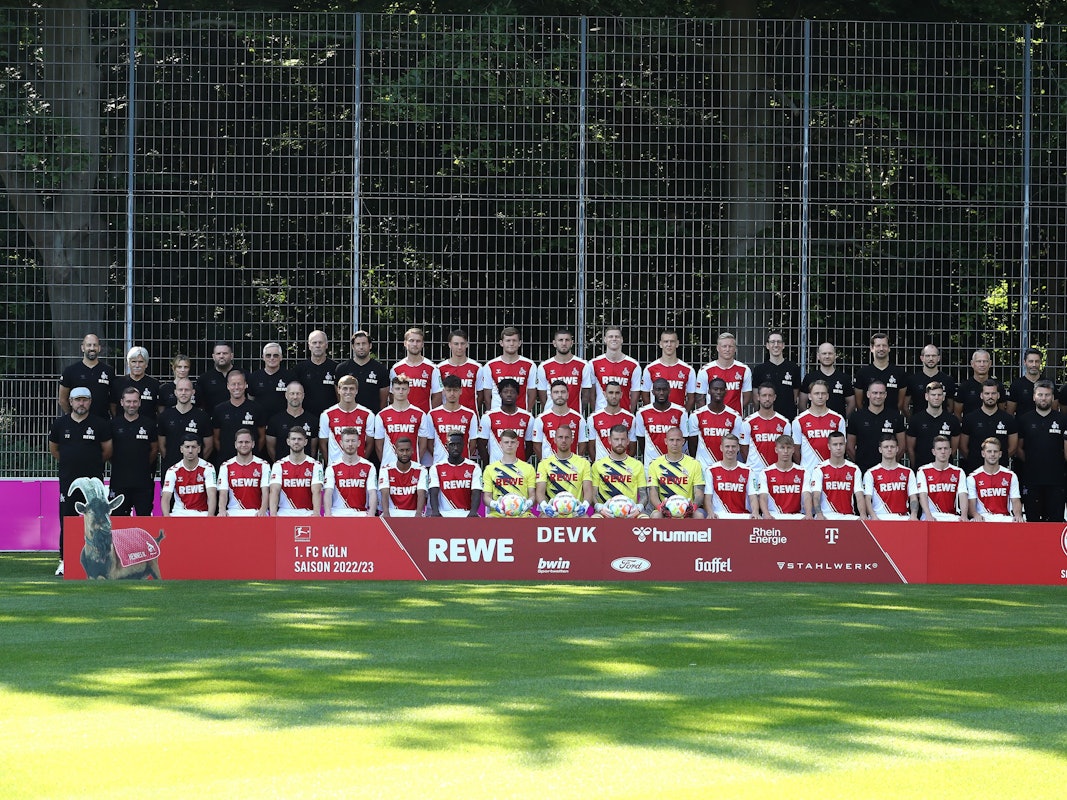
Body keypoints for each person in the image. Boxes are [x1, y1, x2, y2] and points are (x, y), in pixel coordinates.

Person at [48, 386, 113, 575]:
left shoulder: (100, 424)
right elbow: (55, 449)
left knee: (97, 521)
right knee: (66, 520)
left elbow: (107, 451)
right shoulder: (60, 424)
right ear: (70, 401)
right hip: (68, 482)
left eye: (85, 400)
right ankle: (64, 560)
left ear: (90, 402)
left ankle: (100, 559)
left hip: (93, 485)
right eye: (77, 400)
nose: (81, 403)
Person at [1014, 380, 1067, 522]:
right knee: (1033, 521)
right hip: (1032, 479)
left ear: (1052, 397)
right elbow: (1018, 448)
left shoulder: (1062, 420)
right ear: (1034, 397)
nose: (1043, 398)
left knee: (1056, 521)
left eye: (1047, 395)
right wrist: (1031, 461)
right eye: (1040, 395)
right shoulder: (1024, 420)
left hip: (1056, 480)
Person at [108, 386, 158, 516]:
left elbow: (154, 449)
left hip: (143, 482)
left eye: (135, 401)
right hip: (119, 481)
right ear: (122, 402)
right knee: (117, 520)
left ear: (140, 403)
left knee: (144, 519)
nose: (132, 405)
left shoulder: (149, 424)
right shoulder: (113, 425)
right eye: (128, 401)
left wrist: (142, 464)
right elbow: (108, 450)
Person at [846, 379, 905, 473]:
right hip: (863, 470)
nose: (878, 396)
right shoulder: (857, 417)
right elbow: (849, 447)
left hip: (889, 471)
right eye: (875, 393)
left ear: (885, 395)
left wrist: (889, 464)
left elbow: (901, 447)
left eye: (881, 393)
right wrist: (859, 464)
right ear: (868, 394)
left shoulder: (896, 417)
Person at [373, 375, 433, 468]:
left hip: (413, 466)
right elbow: (378, 446)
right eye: (397, 388)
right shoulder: (381, 415)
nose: (400, 392)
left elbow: (423, 444)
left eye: (403, 389)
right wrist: (386, 461)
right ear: (392, 390)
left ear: (409, 390)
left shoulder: (420, 414)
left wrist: (415, 461)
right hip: (389, 466)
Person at [959, 380, 1017, 474]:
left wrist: (997, 460)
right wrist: (975, 460)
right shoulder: (970, 418)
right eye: (987, 393)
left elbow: (1013, 447)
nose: (990, 396)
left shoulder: (1008, 419)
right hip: (975, 470)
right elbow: (963, 447)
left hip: (1000, 470)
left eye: (993, 393)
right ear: (981, 395)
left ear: (998, 395)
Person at [157, 377, 214, 474]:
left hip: (195, 473)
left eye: (187, 390)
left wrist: (194, 462)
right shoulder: (165, 416)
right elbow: (162, 446)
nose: (183, 393)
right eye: (180, 390)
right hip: (171, 471)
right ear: (175, 392)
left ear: (193, 392)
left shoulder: (202, 417)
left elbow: (208, 446)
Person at [647, 427, 706, 518]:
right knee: (656, 515)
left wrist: (692, 508)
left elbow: (699, 493)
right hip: (665, 509)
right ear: (666, 441)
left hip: (687, 509)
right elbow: (653, 494)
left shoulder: (694, 464)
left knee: (699, 515)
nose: (675, 443)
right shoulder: (654, 464)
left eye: (678, 440)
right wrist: (662, 509)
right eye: (671, 440)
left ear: (683, 441)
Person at [804, 431, 863, 520]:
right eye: (835, 445)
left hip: (848, 516)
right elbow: (816, 496)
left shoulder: (854, 469)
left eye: (841, 444)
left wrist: (862, 514)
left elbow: (859, 496)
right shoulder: (820, 469)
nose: (838, 448)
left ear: (845, 445)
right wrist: (819, 514)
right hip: (826, 516)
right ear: (829, 446)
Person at [212, 369, 267, 464]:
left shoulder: (257, 408)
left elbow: (262, 437)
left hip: (251, 462)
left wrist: (252, 452)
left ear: (245, 385)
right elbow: (216, 438)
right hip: (226, 462)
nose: (236, 387)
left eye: (239, 383)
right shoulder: (219, 409)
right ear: (228, 386)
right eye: (233, 384)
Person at [535, 424, 594, 514]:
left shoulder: (584, 463)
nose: (563, 440)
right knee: (541, 519)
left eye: (567, 437)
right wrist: (545, 507)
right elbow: (539, 491)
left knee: (590, 519)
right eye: (560, 437)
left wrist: (584, 506)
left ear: (572, 440)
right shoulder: (544, 464)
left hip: (576, 511)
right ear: (554, 440)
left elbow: (588, 490)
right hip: (553, 512)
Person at [590, 425, 648, 515]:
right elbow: (593, 494)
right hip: (605, 512)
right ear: (609, 440)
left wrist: (638, 508)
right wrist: (600, 507)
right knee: (594, 519)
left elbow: (644, 495)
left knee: (645, 519)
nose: (620, 443)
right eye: (616, 439)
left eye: (623, 439)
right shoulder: (598, 465)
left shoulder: (637, 465)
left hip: (631, 512)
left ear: (628, 441)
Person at [477, 326, 537, 411]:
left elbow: (532, 392)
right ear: (501, 343)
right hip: (497, 413)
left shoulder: (529, 365)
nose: (511, 344)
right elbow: (487, 393)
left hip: (521, 413)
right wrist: (491, 412)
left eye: (514, 340)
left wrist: (527, 412)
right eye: (508, 340)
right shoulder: (490, 365)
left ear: (519, 343)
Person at [790, 379, 846, 472]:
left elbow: (842, 447)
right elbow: (795, 450)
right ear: (810, 396)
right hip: (809, 472)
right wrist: (805, 468)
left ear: (827, 396)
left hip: (832, 472)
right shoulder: (799, 420)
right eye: (816, 393)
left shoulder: (838, 419)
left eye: (823, 393)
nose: (820, 396)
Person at [739, 382, 789, 483]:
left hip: (776, 472)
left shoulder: (784, 423)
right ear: (758, 397)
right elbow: (744, 449)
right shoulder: (748, 422)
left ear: (774, 397)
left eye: (770, 395)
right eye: (764, 395)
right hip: (754, 473)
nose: (767, 399)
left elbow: (786, 449)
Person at [687, 377, 743, 467]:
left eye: (721, 389)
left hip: (725, 467)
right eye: (715, 389)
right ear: (709, 391)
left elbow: (735, 444)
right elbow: (692, 444)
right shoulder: (696, 415)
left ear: (726, 391)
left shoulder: (735, 416)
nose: (718, 392)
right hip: (703, 466)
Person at [318, 375, 374, 465]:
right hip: (335, 467)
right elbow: (322, 443)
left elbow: (370, 443)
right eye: (345, 388)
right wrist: (330, 463)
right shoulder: (327, 415)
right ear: (338, 390)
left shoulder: (368, 414)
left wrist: (362, 461)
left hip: (358, 467)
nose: (348, 392)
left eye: (351, 389)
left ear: (356, 391)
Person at [478, 378, 535, 465]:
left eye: (512, 392)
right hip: (496, 468)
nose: (509, 394)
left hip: (519, 470)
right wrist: (489, 465)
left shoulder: (527, 417)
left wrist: (522, 462)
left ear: (517, 394)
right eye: (505, 392)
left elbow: (530, 445)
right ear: (500, 394)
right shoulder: (489, 416)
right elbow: (481, 444)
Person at [323, 427, 379, 517]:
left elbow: (372, 492)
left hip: (360, 513)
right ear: (341, 443)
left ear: (359, 443)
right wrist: (328, 514)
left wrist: (371, 514)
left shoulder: (369, 466)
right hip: (337, 513)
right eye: (347, 441)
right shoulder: (332, 468)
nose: (350, 444)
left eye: (353, 441)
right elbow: (328, 493)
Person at [269, 427, 324, 516]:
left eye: (299, 439)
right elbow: (274, 490)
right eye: (293, 439)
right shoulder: (278, 465)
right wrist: (273, 515)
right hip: (284, 512)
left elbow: (316, 491)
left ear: (305, 442)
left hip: (307, 513)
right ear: (288, 441)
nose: (296, 442)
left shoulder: (316, 465)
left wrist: (316, 513)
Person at [861, 434, 918, 520]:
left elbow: (913, 497)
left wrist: (913, 514)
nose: (889, 449)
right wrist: (873, 516)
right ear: (880, 449)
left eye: (892, 446)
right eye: (886, 447)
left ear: (897, 449)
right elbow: (867, 498)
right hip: (879, 518)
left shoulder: (908, 472)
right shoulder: (871, 473)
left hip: (902, 518)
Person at [635, 377, 689, 467]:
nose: (661, 393)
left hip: (675, 464)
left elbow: (684, 438)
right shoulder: (642, 412)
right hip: (651, 464)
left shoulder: (680, 411)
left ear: (669, 391)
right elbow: (641, 439)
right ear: (652, 392)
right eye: (658, 390)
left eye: (664, 390)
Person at [58, 333, 115, 419]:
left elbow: (113, 400)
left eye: (95, 345)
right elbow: (62, 399)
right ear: (82, 348)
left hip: (102, 422)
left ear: (99, 348)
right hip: (78, 423)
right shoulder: (70, 371)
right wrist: (72, 416)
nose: (92, 348)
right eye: (89, 345)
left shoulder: (108, 371)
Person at [482, 429, 537, 517]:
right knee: (488, 521)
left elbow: (533, 495)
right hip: (498, 514)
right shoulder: (490, 469)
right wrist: (495, 504)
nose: (509, 445)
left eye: (512, 442)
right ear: (500, 444)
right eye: (506, 442)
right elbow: (486, 497)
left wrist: (528, 503)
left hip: (522, 513)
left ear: (517, 444)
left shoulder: (528, 468)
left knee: (532, 520)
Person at [586, 326, 642, 413]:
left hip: (624, 414)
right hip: (601, 414)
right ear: (605, 339)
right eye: (610, 336)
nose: (614, 339)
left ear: (622, 340)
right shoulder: (594, 364)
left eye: (617, 337)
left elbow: (635, 393)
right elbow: (591, 393)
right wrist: (596, 412)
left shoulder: (633, 365)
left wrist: (629, 413)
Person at [906, 381, 961, 468]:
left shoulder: (952, 420)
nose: (936, 398)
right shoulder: (916, 419)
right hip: (922, 469)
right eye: (933, 395)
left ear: (943, 397)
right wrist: (916, 467)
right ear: (926, 396)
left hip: (944, 470)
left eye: (939, 395)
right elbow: (910, 449)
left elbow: (953, 450)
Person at [967, 438, 1024, 522]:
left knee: (1019, 522)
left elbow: (1015, 500)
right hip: (983, 518)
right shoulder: (973, 477)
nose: (992, 454)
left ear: (1000, 454)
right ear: (983, 453)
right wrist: (975, 515)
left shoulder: (1011, 475)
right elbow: (971, 503)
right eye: (989, 451)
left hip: (1004, 518)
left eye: (995, 451)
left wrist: (1018, 515)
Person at [639, 328, 696, 411]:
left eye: (672, 341)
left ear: (677, 344)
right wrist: (651, 412)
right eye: (666, 341)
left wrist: (683, 414)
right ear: (660, 344)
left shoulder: (688, 370)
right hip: (656, 417)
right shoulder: (650, 369)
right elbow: (645, 395)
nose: (669, 344)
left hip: (677, 419)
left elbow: (691, 397)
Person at [426, 374, 480, 463]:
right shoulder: (432, 414)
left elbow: (473, 443)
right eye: (449, 390)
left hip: (462, 464)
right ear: (443, 391)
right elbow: (429, 443)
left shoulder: (470, 414)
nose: (452, 394)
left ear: (461, 391)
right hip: (440, 464)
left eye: (455, 390)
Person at [426, 432, 483, 517]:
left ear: (463, 445)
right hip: (444, 514)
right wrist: (435, 512)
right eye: (452, 445)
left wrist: (473, 512)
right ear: (446, 446)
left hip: (466, 514)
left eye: (458, 444)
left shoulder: (474, 467)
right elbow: (433, 493)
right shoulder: (436, 467)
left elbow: (476, 492)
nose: (455, 448)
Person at [217, 428, 270, 516]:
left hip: (256, 511)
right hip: (233, 511)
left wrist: (263, 510)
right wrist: (222, 510)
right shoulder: (226, 466)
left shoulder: (263, 465)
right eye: (240, 442)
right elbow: (223, 493)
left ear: (253, 444)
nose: (244, 445)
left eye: (247, 442)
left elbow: (266, 491)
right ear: (235, 444)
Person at [535, 329, 590, 414]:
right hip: (551, 415)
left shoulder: (583, 365)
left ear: (572, 343)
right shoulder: (544, 366)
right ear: (554, 343)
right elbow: (542, 395)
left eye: (567, 340)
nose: (564, 343)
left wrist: (578, 413)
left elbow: (585, 395)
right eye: (560, 340)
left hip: (574, 415)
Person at [696, 332, 752, 415]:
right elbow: (700, 398)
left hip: (735, 419)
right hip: (712, 419)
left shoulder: (744, 369)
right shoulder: (705, 370)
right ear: (718, 348)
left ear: (735, 349)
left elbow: (747, 396)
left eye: (730, 346)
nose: (727, 349)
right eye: (724, 346)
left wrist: (734, 413)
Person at [161, 435, 217, 517]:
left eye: (193, 447)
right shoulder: (172, 471)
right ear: (181, 449)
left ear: (199, 449)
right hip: (179, 513)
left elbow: (212, 494)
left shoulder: (208, 468)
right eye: (187, 447)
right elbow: (166, 497)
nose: (190, 451)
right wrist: (166, 517)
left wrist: (210, 516)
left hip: (201, 514)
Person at [335, 330, 390, 414]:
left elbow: (383, 400)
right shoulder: (342, 368)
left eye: (364, 343)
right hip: (348, 417)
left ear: (370, 345)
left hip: (371, 418)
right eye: (358, 344)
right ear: (353, 346)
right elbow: (339, 396)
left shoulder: (380, 369)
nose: (361, 347)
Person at [916, 435, 969, 522]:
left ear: (950, 451)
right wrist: (928, 515)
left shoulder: (958, 471)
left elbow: (963, 495)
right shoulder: (923, 470)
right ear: (933, 451)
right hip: (930, 516)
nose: (943, 452)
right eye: (939, 449)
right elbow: (922, 495)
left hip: (952, 516)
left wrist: (964, 515)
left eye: (946, 448)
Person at [703, 433, 756, 519]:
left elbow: (753, 497)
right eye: (727, 446)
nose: (730, 449)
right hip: (718, 516)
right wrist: (710, 512)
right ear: (721, 448)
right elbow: (707, 497)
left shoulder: (748, 470)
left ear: (738, 448)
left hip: (742, 516)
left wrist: (755, 512)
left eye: (733, 446)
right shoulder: (711, 470)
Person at [533, 379, 588, 460]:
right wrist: (545, 463)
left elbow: (582, 444)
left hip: (572, 467)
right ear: (551, 395)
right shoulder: (541, 419)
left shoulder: (579, 419)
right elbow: (536, 445)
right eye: (556, 392)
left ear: (568, 394)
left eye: (563, 392)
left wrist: (575, 461)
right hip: (550, 467)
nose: (559, 395)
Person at [751, 331, 801, 420]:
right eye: (772, 342)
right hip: (765, 418)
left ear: (783, 345)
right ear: (767, 345)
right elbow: (756, 398)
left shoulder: (793, 368)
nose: (776, 345)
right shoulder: (759, 369)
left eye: (779, 342)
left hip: (787, 418)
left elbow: (795, 395)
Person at [755, 434, 807, 519]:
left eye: (789, 448)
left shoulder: (803, 472)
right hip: (774, 515)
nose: (785, 451)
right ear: (776, 450)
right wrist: (766, 514)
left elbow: (807, 495)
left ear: (793, 450)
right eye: (782, 448)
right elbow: (763, 496)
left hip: (796, 516)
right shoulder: (765, 472)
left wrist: (808, 514)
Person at [390, 326, 442, 412]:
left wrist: (429, 415)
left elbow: (438, 395)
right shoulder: (396, 369)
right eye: (411, 341)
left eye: (418, 341)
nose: (415, 344)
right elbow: (392, 395)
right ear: (405, 343)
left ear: (422, 344)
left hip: (424, 419)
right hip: (403, 418)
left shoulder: (432, 368)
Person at [266, 381, 318, 462]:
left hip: (305, 469)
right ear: (286, 395)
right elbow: (270, 448)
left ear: (303, 396)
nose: (295, 397)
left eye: (298, 393)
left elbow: (313, 449)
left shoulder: (313, 420)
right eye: (292, 393)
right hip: (283, 470)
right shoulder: (275, 420)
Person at [799, 342, 854, 417]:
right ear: (818, 356)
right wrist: (810, 419)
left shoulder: (844, 378)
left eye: (830, 353)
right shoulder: (810, 378)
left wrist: (841, 420)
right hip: (814, 426)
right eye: (824, 353)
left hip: (836, 426)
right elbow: (802, 403)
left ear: (835, 356)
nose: (827, 356)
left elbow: (851, 403)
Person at [293, 330, 339, 420]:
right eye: (314, 343)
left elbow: (340, 396)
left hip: (331, 418)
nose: (317, 345)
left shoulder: (336, 368)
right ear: (309, 346)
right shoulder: (299, 369)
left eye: (320, 342)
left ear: (326, 345)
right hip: (306, 419)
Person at [586, 381, 636, 461]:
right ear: (605, 394)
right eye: (611, 393)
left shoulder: (630, 418)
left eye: (617, 393)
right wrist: (598, 465)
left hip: (624, 468)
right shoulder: (593, 418)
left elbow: (632, 447)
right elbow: (591, 447)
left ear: (621, 394)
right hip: (601, 468)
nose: (614, 396)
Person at [854, 332, 906, 410]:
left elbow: (900, 403)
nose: (881, 349)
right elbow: (859, 403)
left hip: (892, 419)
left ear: (889, 348)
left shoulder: (899, 372)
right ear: (872, 348)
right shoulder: (862, 373)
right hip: (868, 420)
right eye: (878, 346)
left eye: (884, 345)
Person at [901, 344, 957, 417]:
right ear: (922, 358)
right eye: (927, 356)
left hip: (941, 424)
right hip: (919, 425)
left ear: (938, 358)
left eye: (934, 356)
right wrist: (914, 421)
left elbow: (950, 407)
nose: (931, 359)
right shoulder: (912, 380)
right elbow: (905, 406)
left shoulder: (948, 380)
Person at [378, 436, 426, 517]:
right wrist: (386, 513)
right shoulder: (385, 469)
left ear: (412, 451)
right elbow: (384, 493)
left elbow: (421, 494)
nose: (404, 453)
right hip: (392, 512)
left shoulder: (421, 469)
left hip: (413, 513)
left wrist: (418, 514)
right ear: (396, 451)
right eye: (401, 450)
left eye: (407, 450)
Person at [437, 329, 482, 414]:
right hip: (446, 416)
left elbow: (480, 394)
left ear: (467, 344)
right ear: (450, 345)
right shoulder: (440, 368)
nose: (459, 347)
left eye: (462, 343)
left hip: (469, 416)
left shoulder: (477, 367)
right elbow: (438, 394)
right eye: (456, 344)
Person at [110, 346, 161, 419]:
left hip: (147, 428)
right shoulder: (118, 383)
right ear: (128, 363)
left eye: (141, 362)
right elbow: (113, 406)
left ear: (146, 364)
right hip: (122, 428)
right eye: (134, 362)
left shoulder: (154, 384)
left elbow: (159, 408)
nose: (137, 365)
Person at [247, 342, 294, 420]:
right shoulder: (254, 377)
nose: (272, 358)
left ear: (281, 357)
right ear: (263, 357)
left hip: (283, 421)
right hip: (260, 420)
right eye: (268, 355)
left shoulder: (290, 376)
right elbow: (250, 400)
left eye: (275, 355)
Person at [954, 349, 1004, 417]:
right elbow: (957, 414)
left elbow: (1003, 411)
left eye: (985, 361)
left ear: (990, 364)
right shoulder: (964, 387)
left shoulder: (998, 386)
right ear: (972, 363)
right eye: (978, 361)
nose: (982, 364)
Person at [196, 341, 237, 412]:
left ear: (232, 356)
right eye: (218, 353)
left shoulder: (243, 375)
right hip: (212, 421)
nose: (221, 356)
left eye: (225, 353)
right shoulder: (204, 379)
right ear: (213, 357)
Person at [1007, 348, 1047, 417]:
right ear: (1024, 362)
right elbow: (1009, 413)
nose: (1034, 365)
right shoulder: (1016, 385)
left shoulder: (1048, 384)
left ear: (1040, 362)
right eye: (1031, 361)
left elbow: (1054, 410)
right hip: (1021, 426)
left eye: (1037, 361)